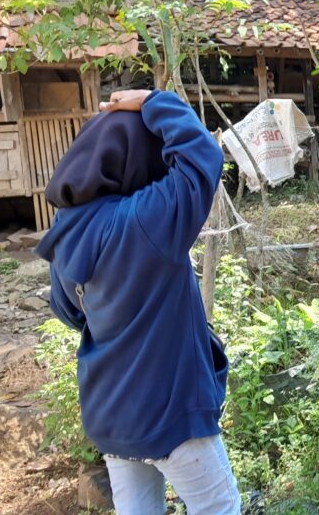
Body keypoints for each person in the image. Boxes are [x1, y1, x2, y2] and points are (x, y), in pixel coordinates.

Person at [36, 89, 241, 515]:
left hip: (112, 415)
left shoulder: (66, 231)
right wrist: (153, 101)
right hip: (170, 414)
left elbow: (70, 312)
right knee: (220, 507)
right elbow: (203, 158)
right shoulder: (144, 220)